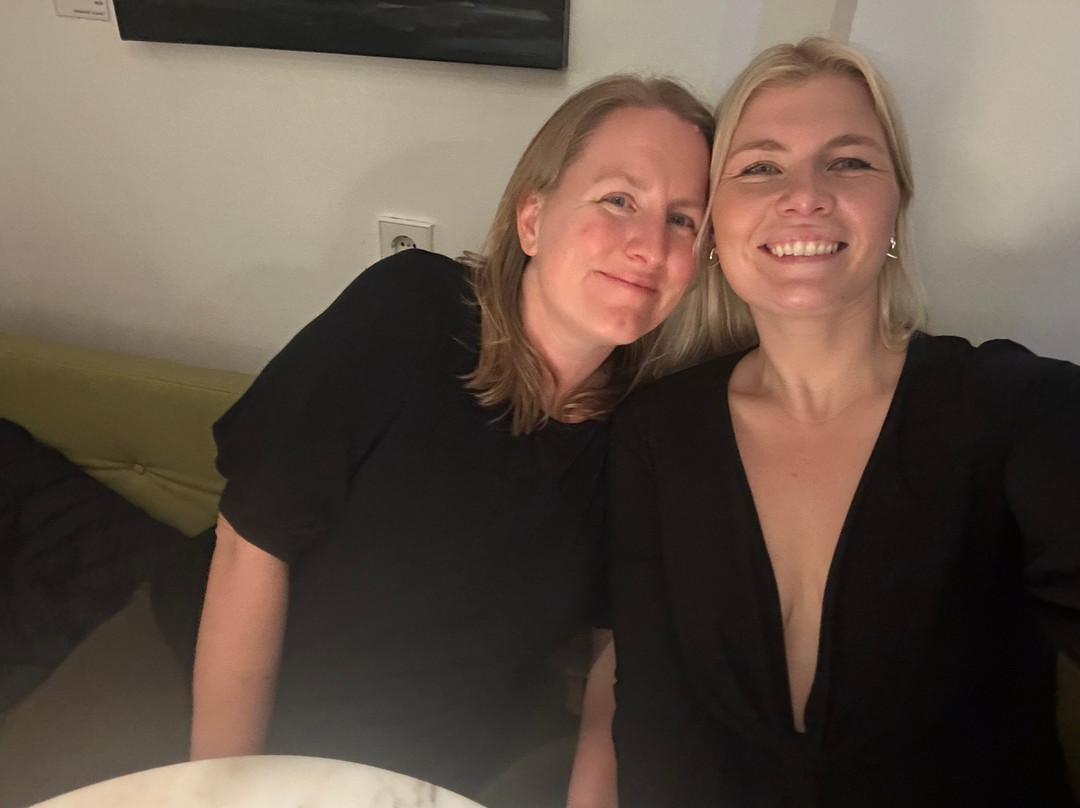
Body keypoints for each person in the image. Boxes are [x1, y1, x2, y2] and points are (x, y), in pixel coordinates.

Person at [188, 73, 723, 802]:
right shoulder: (410, 310)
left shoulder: (646, 436)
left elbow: (618, 657)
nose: (649, 247)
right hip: (225, 702)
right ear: (533, 219)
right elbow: (249, 546)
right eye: (618, 200)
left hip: (434, 768)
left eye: (683, 220)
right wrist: (222, 789)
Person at [607, 37, 1080, 807]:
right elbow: (657, 721)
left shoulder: (1020, 409)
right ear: (715, 225)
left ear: (896, 205)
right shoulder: (656, 435)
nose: (805, 195)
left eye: (849, 161)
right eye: (760, 168)